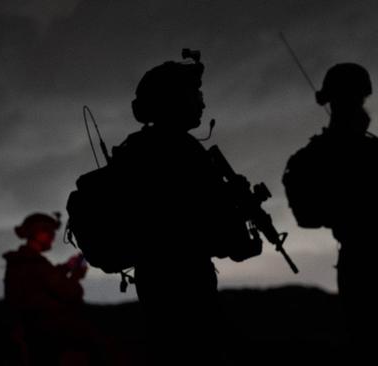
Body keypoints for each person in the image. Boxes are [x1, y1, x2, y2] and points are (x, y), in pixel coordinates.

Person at [283, 63, 378, 362]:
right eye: (354, 100)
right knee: (366, 344)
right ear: (336, 102)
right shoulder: (314, 157)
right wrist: (357, 211)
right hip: (360, 259)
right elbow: (306, 214)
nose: (360, 108)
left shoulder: (372, 150)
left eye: (361, 100)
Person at [116, 50, 247, 365]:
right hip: (186, 280)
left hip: (154, 279)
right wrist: (241, 237)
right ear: (174, 100)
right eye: (194, 94)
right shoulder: (182, 151)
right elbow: (213, 223)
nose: (201, 102)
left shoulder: (133, 150)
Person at [3, 212, 99, 366]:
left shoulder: (20, 261)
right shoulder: (34, 263)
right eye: (47, 231)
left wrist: (67, 267)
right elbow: (69, 292)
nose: (53, 236)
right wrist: (76, 276)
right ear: (35, 233)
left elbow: (44, 279)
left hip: (32, 333)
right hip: (46, 336)